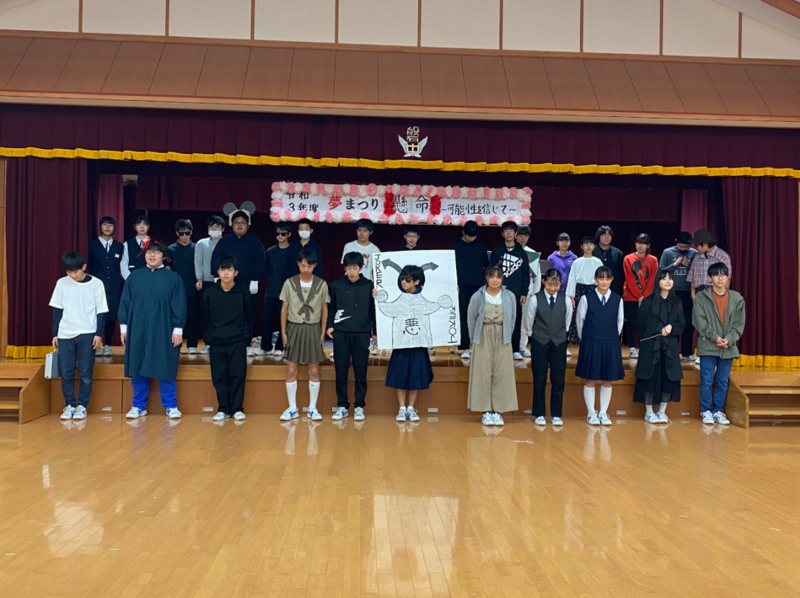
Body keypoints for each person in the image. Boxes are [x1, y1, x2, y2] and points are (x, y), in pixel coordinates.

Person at [119, 241, 187, 420]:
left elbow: (179, 304)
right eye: (149, 252)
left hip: (164, 327)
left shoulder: (173, 278)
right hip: (137, 327)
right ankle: (138, 405)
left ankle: (171, 405)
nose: (152, 255)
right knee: (138, 365)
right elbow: (125, 301)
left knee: (165, 364)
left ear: (163, 256)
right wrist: (124, 327)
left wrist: (178, 329)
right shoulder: (135, 276)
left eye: (156, 252)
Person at [50, 252, 109, 421]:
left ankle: (82, 406)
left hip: (87, 333)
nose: (72, 275)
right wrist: (55, 334)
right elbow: (57, 309)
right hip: (65, 333)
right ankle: (69, 405)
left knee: (85, 373)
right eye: (69, 272)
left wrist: (98, 333)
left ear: (84, 267)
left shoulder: (96, 284)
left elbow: (101, 311)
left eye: (75, 271)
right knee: (66, 373)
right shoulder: (62, 283)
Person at [377, 265, 434, 423]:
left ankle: (411, 408)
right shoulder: (398, 297)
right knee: (400, 376)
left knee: (416, 376)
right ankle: (402, 408)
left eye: (408, 280)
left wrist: (451, 295)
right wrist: (379, 299)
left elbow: (435, 306)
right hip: (401, 344)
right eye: (402, 279)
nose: (404, 282)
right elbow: (387, 310)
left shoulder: (424, 297)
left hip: (418, 344)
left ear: (416, 281)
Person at [279, 249, 330, 422]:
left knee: (314, 369)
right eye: (302, 265)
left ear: (314, 265)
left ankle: (312, 408)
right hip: (294, 327)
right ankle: (292, 408)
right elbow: (284, 308)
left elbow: (324, 309)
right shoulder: (289, 283)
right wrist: (283, 331)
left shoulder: (321, 284)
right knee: (291, 369)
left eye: (309, 266)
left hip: (313, 328)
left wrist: (322, 332)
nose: (305, 269)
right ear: (298, 264)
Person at [693, 262, 745, 426]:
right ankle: (706, 410)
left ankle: (718, 411)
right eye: (716, 275)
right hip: (708, 345)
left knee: (722, 381)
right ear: (710, 278)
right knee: (706, 379)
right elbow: (699, 321)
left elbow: (739, 323)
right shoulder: (701, 297)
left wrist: (729, 338)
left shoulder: (737, 298)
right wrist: (715, 337)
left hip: (728, 346)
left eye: (723, 275)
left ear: (728, 277)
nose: (720, 278)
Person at [327, 252, 376, 422]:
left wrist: (375, 332)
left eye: (355, 268)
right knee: (341, 371)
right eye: (349, 268)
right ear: (344, 268)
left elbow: (373, 310)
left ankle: (359, 406)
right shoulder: (336, 285)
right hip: (341, 332)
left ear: (361, 268)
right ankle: (342, 405)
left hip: (361, 333)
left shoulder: (369, 286)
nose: (352, 271)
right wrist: (330, 325)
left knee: (360, 371)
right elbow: (331, 307)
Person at [467, 265, 518, 426]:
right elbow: (471, 318)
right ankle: (485, 411)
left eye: (498, 277)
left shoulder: (509, 295)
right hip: (483, 334)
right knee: (482, 373)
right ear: (487, 278)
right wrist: (473, 339)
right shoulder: (478, 296)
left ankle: (498, 411)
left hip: (503, 336)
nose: (495, 280)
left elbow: (513, 317)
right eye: (492, 276)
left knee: (502, 373)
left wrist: (507, 335)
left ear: (502, 278)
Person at [211, 207, 267, 355]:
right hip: (227, 285)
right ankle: (226, 342)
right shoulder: (225, 241)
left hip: (248, 284)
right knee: (227, 314)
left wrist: (255, 279)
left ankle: (246, 344)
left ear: (248, 225)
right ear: (232, 225)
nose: (240, 225)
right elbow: (216, 258)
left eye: (243, 223)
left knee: (248, 315)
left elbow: (261, 261)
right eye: (237, 223)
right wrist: (216, 276)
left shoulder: (254, 242)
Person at [202, 256, 251, 422]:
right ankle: (223, 408)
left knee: (238, 375)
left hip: (237, 339)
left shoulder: (243, 291)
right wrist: (211, 336)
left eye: (229, 270)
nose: (226, 273)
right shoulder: (209, 292)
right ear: (217, 272)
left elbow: (249, 314)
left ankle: (236, 408)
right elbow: (205, 316)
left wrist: (245, 336)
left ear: (235, 272)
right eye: (223, 270)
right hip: (217, 340)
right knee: (219, 376)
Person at [575, 266, 625, 426]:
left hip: (610, 342)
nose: (604, 282)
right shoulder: (586, 298)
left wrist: (610, 337)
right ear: (595, 279)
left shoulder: (618, 299)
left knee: (607, 379)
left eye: (607, 278)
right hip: (591, 341)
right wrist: (587, 338)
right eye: (601, 278)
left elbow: (619, 322)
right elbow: (580, 321)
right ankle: (591, 413)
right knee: (590, 378)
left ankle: (603, 413)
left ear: (612, 280)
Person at [634, 270, 685, 423]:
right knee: (650, 376)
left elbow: (681, 325)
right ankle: (649, 412)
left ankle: (662, 411)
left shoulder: (677, 302)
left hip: (670, 346)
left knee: (668, 377)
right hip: (651, 345)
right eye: (664, 279)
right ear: (657, 282)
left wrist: (671, 327)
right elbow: (639, 324)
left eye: (671, 278)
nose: (668, 281)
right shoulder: (648, 301)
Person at [530, 269, 573, 427]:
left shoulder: (566, 300)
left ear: (561, 283)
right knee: (539, 378)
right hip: (539, 341)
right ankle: (539, 413)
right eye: (549, 284)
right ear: (543, 282)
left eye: (556, 284)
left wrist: (559, 334)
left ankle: (556, 414)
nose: (552, 287)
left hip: (559, 342)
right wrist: (535, 335)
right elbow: (529, 320)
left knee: (558, 378)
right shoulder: (535, 299)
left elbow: (567, 322)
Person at [490, 221, 530, 361]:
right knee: (498, 320)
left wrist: (524, 292)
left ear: (515, 233)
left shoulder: (521, 253)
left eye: (511, 231)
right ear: (502, 234)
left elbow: (525, 274)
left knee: (516, 321)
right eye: (506, 231)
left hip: (516, 293)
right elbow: (490, 272)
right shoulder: (497, 252)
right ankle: (498, 348)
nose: (508, 233)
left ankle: (515, 349)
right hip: (499, 292)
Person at [451, 221, 488, 360]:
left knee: (480, 316)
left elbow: (485, 265)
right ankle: (464, 347)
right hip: (461, 288)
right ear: (463, 233)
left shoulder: (480, 245)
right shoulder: (455, 246)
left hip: (478, 287)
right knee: (463, 317)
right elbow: (450, 268)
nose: (471, 239)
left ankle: (479, 346)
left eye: (474, 236)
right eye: (469, 236)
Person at [659, 232, 699, 362]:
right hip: (672, 291)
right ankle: (672, 351)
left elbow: (700, 273)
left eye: (686, 247)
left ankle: (687, 352)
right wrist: (674, 265)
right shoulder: (668, 252)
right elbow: (661, 271)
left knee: (688, 322)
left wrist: (690, 266)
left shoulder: (694, 253)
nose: (683, 249)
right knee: (672, 321)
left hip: (688, 292)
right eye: (680, 246)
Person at [87, 216, 124, 356]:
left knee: (110, 317)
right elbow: (89, 265)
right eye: (104, 224)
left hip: (114, 287)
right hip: (96, 287)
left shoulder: (119, 246)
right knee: (95, 316)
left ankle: (107, 344)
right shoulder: (92, 245)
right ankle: (96, 345)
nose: (108, 227)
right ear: (100, 227)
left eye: (111, 225)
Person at [623, 233, 659, 359]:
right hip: (631, 296)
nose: (640, 246)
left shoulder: (653, 260)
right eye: (638, 243)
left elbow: (652, 279)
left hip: (647, 297)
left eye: (643, 243)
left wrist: (645, 297)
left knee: (646, 323)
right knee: (631, 322)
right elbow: (630, 279)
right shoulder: (628, 258)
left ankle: (645, 347)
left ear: (648, 245)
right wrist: (639, 296)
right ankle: (632, 348)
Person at [261, 223, 294, 356]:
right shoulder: (270, 251)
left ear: (289, 235)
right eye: (277, 233)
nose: (280, 236)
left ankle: (281, 346)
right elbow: (265, 269)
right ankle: (266, 347)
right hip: (271, 289)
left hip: (287, 290)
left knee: (285, 319)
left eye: (283, 233)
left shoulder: (293, 251)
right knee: (266, 319)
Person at [194, 215, 226, 355]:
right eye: (211, 227)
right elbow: (198, 261)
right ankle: (208, 343)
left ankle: (222, 341)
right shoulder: (201, 243)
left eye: (217, 227)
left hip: (225, 282)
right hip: (207, 281)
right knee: (207, 314)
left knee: (223, 313)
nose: (214, 229)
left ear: (222, 229)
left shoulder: (227, 242)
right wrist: (199, 278)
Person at [168, 219, 200, 354]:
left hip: (193, 288)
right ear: (177, 233)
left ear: (191, 232)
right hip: (175, 290)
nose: (185, 236)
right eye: (182, 233)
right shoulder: (170, 249)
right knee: (175, 319)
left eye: (187, 233)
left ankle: (192, 345)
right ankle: (175, 345)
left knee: (193, 318)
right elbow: (167, 269)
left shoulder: (196, 248)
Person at [566, 237, 603, 348]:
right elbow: (572, 278)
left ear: (594, 246)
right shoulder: (577, 262)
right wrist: (571, 296)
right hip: (580, 290)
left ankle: (593, 339)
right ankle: (579, 339)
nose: (588, 246)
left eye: (591, 244)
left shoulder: (598, 261)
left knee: (593, 316)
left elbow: (601, 278)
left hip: (594, 290)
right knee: (579, 315)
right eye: (586, 244)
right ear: (582, 246)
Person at [516, 224, 541, 358]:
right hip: (512, 290)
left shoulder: (532, 254)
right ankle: (510, 346)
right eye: (520, 235)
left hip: (528, 292)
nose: (522, 238)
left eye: (525, 236)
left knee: (525, 319)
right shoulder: (510, 250)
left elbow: (537, 275)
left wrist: (534, 293)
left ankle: (522, 345)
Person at [688, 229, 732, 300]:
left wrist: (723, 296)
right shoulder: (697, 257)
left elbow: (727, 278)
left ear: (705, 244)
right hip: (699, 292)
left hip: (715, 291)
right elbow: (692, 278)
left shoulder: (722, 256)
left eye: (696, 245)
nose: (695, 247)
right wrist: (693, 295)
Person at [592, 225, 624, 296]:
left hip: (613, 290)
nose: (606, 237)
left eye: (609, 235)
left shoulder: (618, 253)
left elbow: (621, 275)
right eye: (603, 235)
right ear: (598, 236)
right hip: (593, 289)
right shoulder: (591, 251)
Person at [121, 215, 151, 280]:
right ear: (134, 227)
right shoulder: (127, 244)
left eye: (145, 225)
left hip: (151, 278)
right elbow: (123, 264)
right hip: (132, 278)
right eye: (139, 224)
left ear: (148, 227)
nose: (142, 227)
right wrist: (131, 279)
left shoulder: (154, 244)